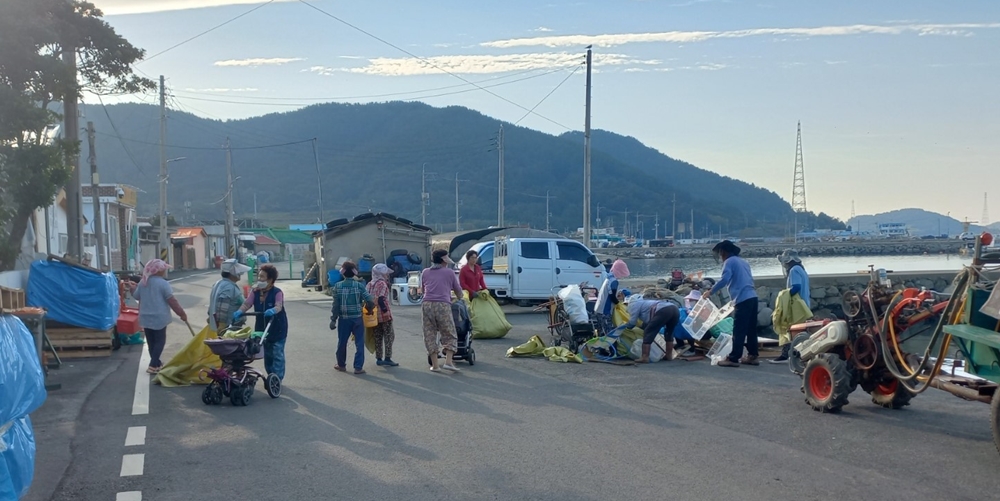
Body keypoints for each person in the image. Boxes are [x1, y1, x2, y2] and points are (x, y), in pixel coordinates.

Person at [706, 240, 759, 367]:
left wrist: (711, 291)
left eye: (720, 253)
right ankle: (753, 355)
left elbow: (725, 279)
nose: (720, 255)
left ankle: (734, 357)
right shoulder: (743, 262)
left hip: (742, 298)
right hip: (753, 296)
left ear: (724, 252)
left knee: (739, 329)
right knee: (751, 329)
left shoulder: (729, 262)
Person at [130, 259, 188, 374]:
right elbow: (172, 300)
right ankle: (152, 365)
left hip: (145, 316)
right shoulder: (163, 283)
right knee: (160, 341)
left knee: (151, 341)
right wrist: (181, 313)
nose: (164, 271)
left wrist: (132, 288)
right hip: (159, 317)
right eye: (163, 270)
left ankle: (156, 364)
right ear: (158, 271)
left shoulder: (143, 282)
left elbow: (136, 296)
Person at [233, 264, 288, 380]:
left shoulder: (277, 292)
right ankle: (271, 376)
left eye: (262, 277)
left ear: (270, 280)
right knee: (267, 353)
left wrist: (273, 310)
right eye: (259, 276)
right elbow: (247, 304)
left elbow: (279, 306)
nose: (260, 279)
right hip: (262, 327)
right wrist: (239, 312)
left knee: (277, 353)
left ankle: (277, 379)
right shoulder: (255, 291)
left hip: (277, 326)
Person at [421, 249, 465, 373]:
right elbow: (458, 290)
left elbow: (423, 289)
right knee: (449, 332)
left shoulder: (425, 272)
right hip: (442, 305)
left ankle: (435, 365)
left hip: (427, 304)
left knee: (429, 333)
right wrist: (460, 297)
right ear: (444, 260)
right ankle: (448, 362)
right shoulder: (449, 273)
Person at [328, 261, 375, 375]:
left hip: (344, 319)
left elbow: (335, 306)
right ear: (354, 273)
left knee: (342, 342)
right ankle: (358, 367)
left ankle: (341, 365)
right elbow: (370, 301)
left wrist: (333, 319)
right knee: (359, 342)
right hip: (358, 318)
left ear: (342, 272)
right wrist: (368, 309)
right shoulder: (359, 286)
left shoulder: (337, 287)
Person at [771, 249, 811, 363]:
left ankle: (786, 355)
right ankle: (800, 355)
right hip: (804, 305)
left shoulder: (794, 270)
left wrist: (785, 296)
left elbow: (796, 287)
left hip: (797, 306)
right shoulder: (801, 269)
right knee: (800, 331)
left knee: (789, 329)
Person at [622, 296, 680, 363]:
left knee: (648, 332)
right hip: (674, 309)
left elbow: (632, 322)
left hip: (663, 310)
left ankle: (645, 357)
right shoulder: (645, 302)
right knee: (669, 332)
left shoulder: (634, 305)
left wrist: (627, 327)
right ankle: (669, 356)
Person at [367, 263, 398, 367]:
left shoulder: (370, 284)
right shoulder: (382, 284)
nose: (387, 275)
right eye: (386, 273)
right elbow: (381, 298)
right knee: (389, 336)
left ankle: (379, 358)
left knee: (378, 336)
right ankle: (388, 358)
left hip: (373, 314)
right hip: (383, 314)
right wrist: (386, 311)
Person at [207, 259, 250, 334]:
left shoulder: (220, 283)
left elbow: (213, 302)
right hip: (229, 328)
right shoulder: (229, 287)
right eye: (238, 271)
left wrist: (210, 316)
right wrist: (222, 325)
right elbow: (222, 305)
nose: (240, 273)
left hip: (229, 326)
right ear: (231, 272)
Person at [595, 258, 630, 334]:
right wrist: (618, 304)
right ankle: (608, 346)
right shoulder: (614, 281)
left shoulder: (609, 278)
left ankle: (600, 345)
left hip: (599, 309)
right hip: (605, 311)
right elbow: (612, 296)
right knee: (608, 333)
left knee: (602, 332)